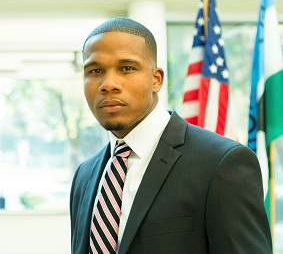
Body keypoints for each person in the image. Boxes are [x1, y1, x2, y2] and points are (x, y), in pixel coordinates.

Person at [70, 17, 272, 254]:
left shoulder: (222, 163)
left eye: (126, 68)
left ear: (156, 79)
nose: (108, 83)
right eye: (95, 71)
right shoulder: (84, 175)